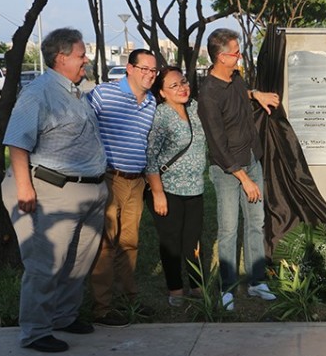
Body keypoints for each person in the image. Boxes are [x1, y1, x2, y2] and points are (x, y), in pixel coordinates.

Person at [2, 28, 108, 352]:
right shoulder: (40, 92)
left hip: (88, 190)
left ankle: (63, 316)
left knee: (78, 260)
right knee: (46, 263)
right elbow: (16, 144)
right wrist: (25, 190)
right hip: (49, 190)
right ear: (61, 58)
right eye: (81, 54)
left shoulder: (75, 91)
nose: (85, 59)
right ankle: (35, 331)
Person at [197, 28, 279, 310]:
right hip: (228, 171)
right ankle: (228, 288)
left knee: (256, 223)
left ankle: (257, 282)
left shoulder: (235, 79)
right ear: (221, 57)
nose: (239, 55)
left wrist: (256, 94)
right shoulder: (208, 94)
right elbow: (217, 146)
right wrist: (244, 178)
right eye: (235, 52)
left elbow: (237, 94)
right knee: (229, 229)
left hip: (251, 161)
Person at [88, 49, 158, 327]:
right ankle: (101, 308)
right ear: (129, 68)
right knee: (106, 245)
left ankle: (129, 300)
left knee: (129, 243)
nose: (150, 75)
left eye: (154, 70)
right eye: (144, 69)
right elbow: (80, 123)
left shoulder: (151, 102)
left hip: (136, 182)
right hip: (108, 178)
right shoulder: (103, 94)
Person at [145, 67, 207, 307]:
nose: (182, 88)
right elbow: (150, 157)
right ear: (162, 92)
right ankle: (176, 290)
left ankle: (197, 285)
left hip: (195, 188)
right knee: (171, 241)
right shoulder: (161, 116)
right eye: (174, 85)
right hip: (168, 190)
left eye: (183, 82)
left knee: (193, 241)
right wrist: (158, 194)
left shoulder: (195, 108)